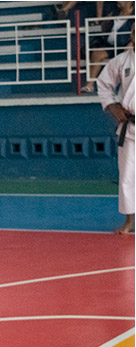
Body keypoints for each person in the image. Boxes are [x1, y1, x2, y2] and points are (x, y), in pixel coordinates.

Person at [96, 23, 134, 233]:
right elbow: (103, 84)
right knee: (127, 176)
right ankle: (129, 221)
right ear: (131, 35)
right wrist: (112, 105)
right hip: (130, 127)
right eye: (135, 32)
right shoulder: (121, 61)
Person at [83, 1, 134, 92]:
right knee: (97, 54)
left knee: (129, 52)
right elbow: (104, 28)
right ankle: (90, 85)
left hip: (127, 45)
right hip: (111, 45)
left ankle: (128, 85)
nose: (118, 1)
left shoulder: (134, 15)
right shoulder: (114, 13)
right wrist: (106, 22)